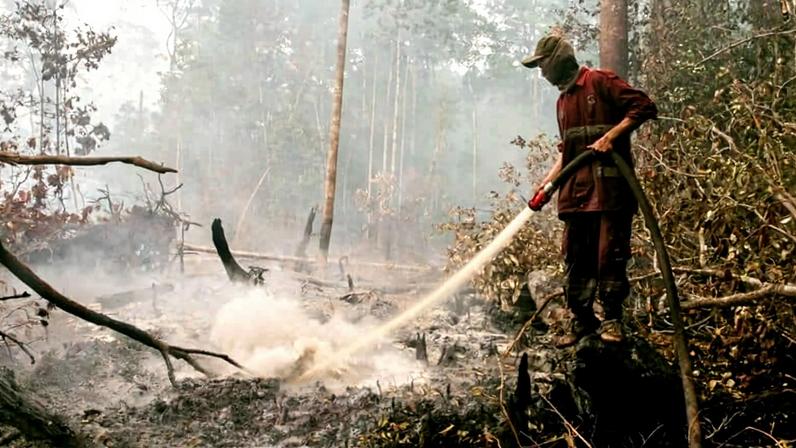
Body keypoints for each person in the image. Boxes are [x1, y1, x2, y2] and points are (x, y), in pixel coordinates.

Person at [522, 34, 658, 347]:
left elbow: (644, 106)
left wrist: (612, 136)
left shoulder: (599, 82)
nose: (541, 73)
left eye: (542, 65)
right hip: (575, 196)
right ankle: (582, 321)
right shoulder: (562, 101)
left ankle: (612, 319)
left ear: (557, 59)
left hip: (610, 192)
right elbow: (567, 153)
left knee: (609, 257)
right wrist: (547, 182)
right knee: (575, 259)